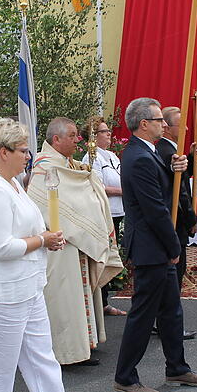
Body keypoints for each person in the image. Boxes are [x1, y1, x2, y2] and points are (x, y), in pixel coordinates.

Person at [0, 118, 105, 392]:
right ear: (3, 152)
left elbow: (24, 226)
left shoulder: (13, 182)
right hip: (3, 289)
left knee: (41, 354)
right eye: (22, 150)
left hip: (26, 285)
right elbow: (2, 247)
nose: (28, 155)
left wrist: (44, 235)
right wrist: (43, 240)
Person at [113, 98, 197, 392]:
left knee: (171, 310)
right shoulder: (138, 157)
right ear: (144, 124)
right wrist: (174, 245)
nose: (164, 124)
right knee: (143, 315)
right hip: (151, 247)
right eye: (159, 120)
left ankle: (177, 367)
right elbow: (155, 208)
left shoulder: (150, 152)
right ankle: (125, 378)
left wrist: (176, 168)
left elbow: (165, 186)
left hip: (157, 245)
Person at [27, 117, 122, 366]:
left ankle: (85, 344)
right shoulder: (45, 168)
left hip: (75, 241)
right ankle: (66, 352)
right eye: (71, 135)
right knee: (64, 298)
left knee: (80, 296)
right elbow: (45, 203)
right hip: (60, 243)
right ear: (56, 139)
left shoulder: (68, 164)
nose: (77, 139)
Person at [154, 106, 197, 340]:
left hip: (173, 221)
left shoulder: (170, 149)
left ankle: (161, 320)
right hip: (174, 222)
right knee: (174, 274)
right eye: (180, 124)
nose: (185, 128)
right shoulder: (166, 151)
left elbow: (184, 177)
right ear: (167, 127)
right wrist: (191, 218)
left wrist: (193, 157)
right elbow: (180, 191)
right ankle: (169, 324)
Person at [81, 117, 126, 317]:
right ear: (93, 137)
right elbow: (97, 186)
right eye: (104, 131)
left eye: (108, 131)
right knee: (103, 255)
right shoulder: (91, 158)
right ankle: (102, 301)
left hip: (118, 211)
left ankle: (106, 297)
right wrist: (123, 191)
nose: (109, 134)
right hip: (103, 212)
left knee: (112, 253)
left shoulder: (111, 156)